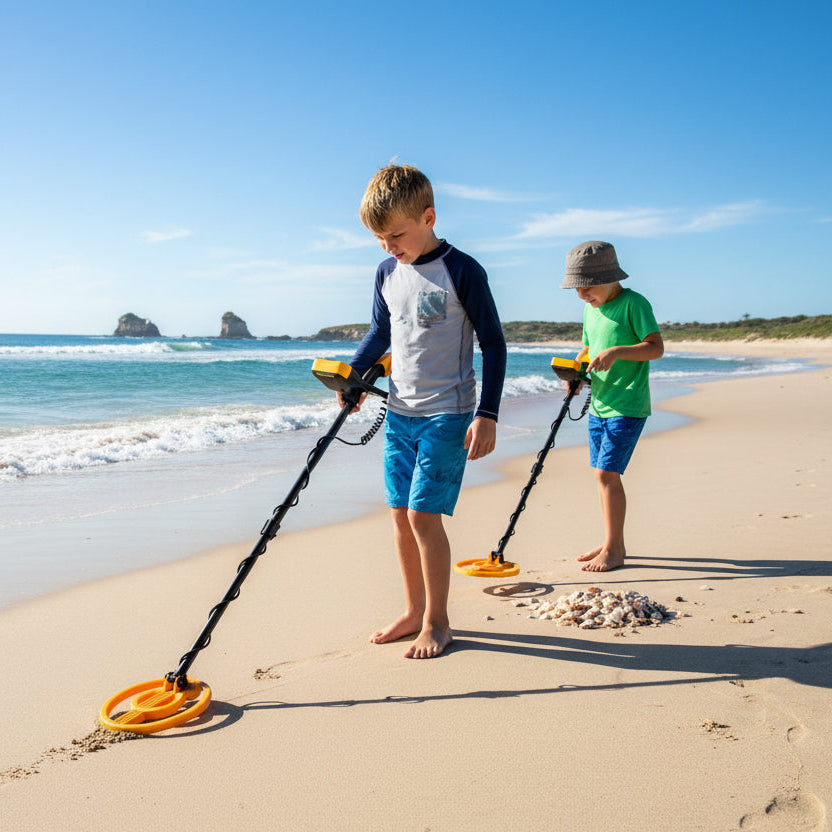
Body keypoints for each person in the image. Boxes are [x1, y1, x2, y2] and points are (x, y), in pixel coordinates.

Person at [340, 163, 506, 658]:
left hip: (448, 413)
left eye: (396, 235)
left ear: (428, 217)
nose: (389, 246)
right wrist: (353, 377)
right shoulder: (387, 272)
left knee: (423, 516)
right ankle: (413, 611)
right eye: (379, 238)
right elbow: (379, 333)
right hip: (400, 412)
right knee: (398, 514)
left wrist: (488, 413)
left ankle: (438, 621)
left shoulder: (462, 270)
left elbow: (494, 345)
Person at [561, 240, 664, 572]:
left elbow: (655, 348)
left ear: (608, 277)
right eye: (577, 290)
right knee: (601, 476)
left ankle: (615, 549)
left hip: (628, 404)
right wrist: (575, 373)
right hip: (600, 406)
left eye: (586, 288)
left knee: (607, 474)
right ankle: (611, 541)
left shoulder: (634, 303)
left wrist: (617, 351)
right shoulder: (591, 310)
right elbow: (587, 349)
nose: (581, 296)